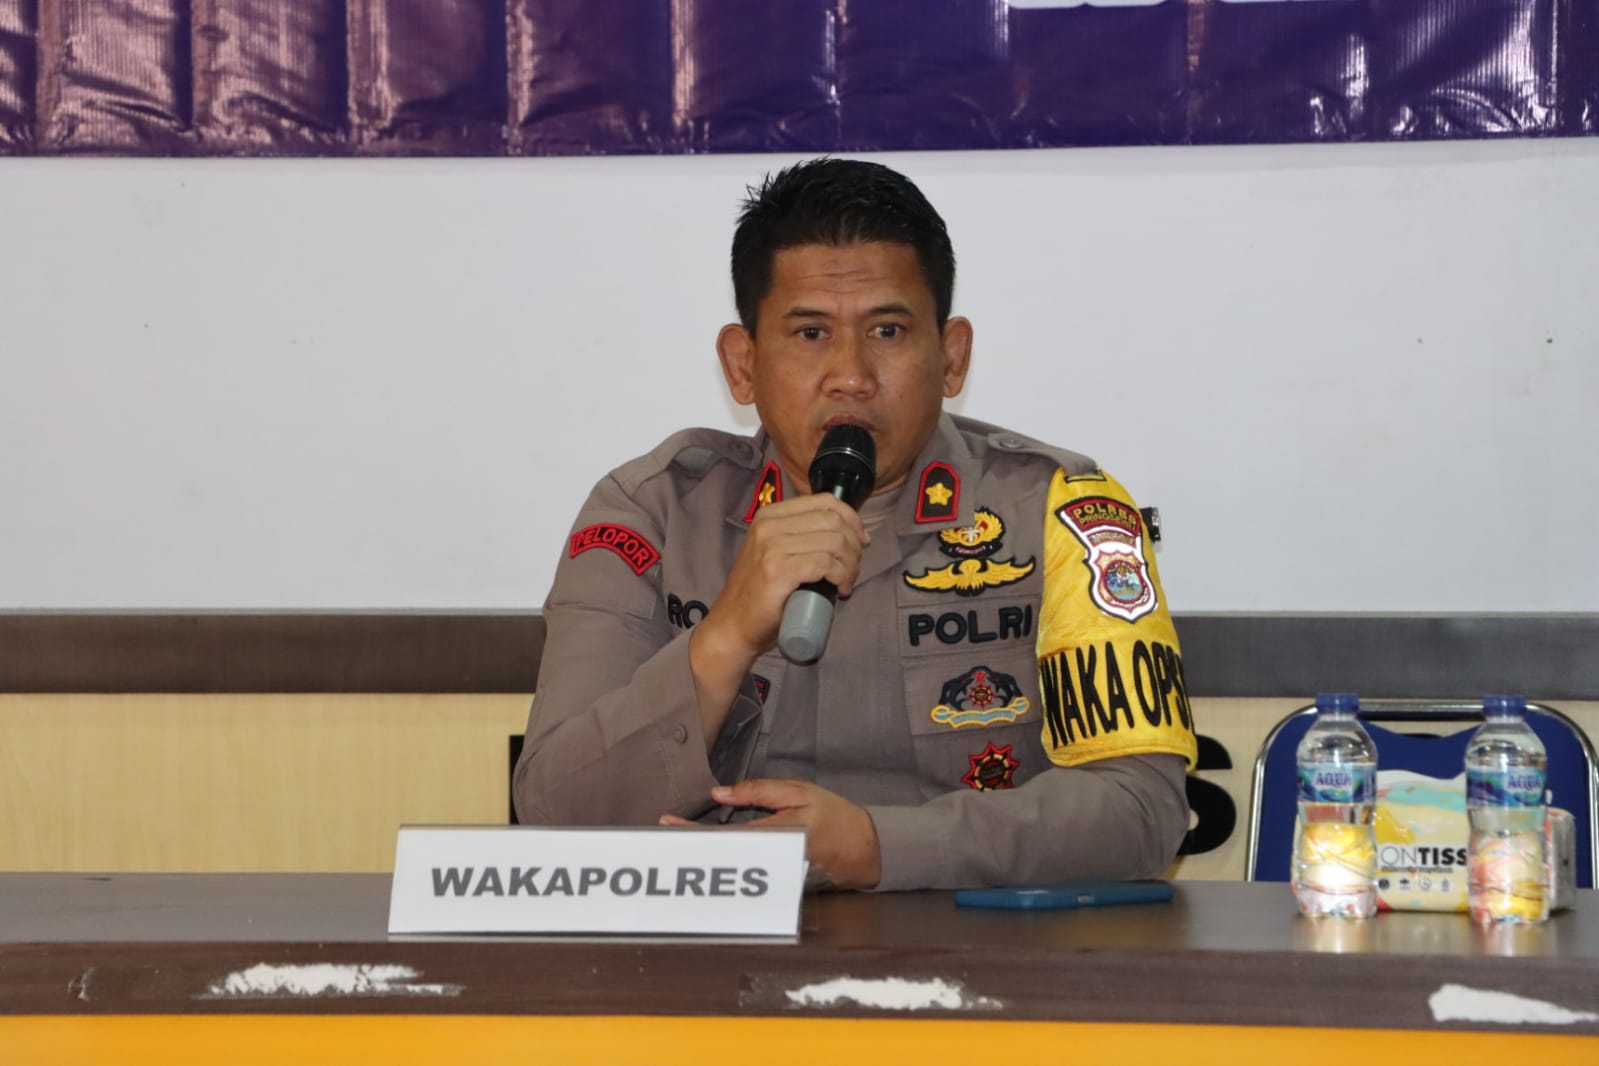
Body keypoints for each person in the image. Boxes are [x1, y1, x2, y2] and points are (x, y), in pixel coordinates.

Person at [513, 158, 1196, 891]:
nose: (850, 375)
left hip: (975, 946)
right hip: (714, 947)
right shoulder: (652, 513)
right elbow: (554, 811)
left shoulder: (1061, 511)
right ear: (742, 366)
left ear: (951, 356)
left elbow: (1142, 809)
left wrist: (877, 845)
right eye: (810, 333)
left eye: (887, 330)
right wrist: (726, 636)